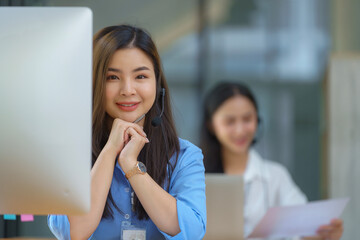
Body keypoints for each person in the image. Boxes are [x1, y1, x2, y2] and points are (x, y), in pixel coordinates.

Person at [48, 25, 206, 240]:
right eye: (112, 77)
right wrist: (110, 151)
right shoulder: (70, 154)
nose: (128, 90)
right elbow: (71, 232)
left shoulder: (185, 155)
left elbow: (191, 232)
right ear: (93, 84)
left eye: (140, 76)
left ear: (157, 84)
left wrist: (131, 165)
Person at [200, 81, 343, 240]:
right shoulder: (194, 177)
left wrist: (323, 234)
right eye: (230, 121)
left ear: (258, 120)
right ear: (211, 125)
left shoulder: (275, 176)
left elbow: (302, 230)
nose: (240, 130)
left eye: (247, 119)